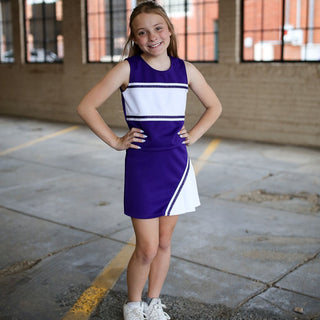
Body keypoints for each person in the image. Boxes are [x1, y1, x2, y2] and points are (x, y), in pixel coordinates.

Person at [77, 1, 222, 319]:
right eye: (142, 32)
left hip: (176, 168)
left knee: (164, 243)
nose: (152, 37)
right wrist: (116, 141)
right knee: (146, 247)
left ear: (169, 29)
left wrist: (193, 136)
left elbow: (215, 106)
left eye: (158, 28)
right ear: (134, 38)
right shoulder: (128, 69)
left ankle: (154, 301)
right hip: (143, 169)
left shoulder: (185, 69)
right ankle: (133, 302)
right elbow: (87, 106)